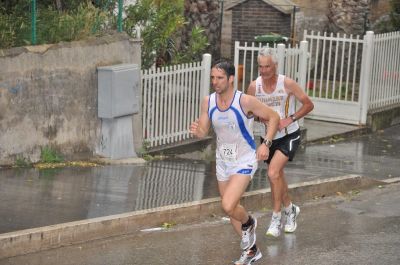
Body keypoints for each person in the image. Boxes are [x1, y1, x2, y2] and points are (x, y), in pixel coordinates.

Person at [190, 60, 280, 265]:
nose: (215, 82)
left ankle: (249, 222)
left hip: (245, 158)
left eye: (220, 78)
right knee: (231, 210)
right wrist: (197, 132)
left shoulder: (245, 101)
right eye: (213, 77)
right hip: (223, 159)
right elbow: (204, 130)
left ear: (231, 79)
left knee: (228, 204)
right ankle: (252, 251)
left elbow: (273, 117)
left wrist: (266, 144)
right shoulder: (208, 101)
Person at [247, 47, 314, 238]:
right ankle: (290, 209)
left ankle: (276, 218)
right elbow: (249, 111)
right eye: (261, 66)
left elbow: (308, 104)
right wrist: (261, 119)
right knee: (277, 177)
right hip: (268, 137)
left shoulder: (287, 83)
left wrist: (289, 119)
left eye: (267, 66)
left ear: (275, 65)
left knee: (273, 172)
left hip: (289, 135)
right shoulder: (254, 86)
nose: (263, 70)